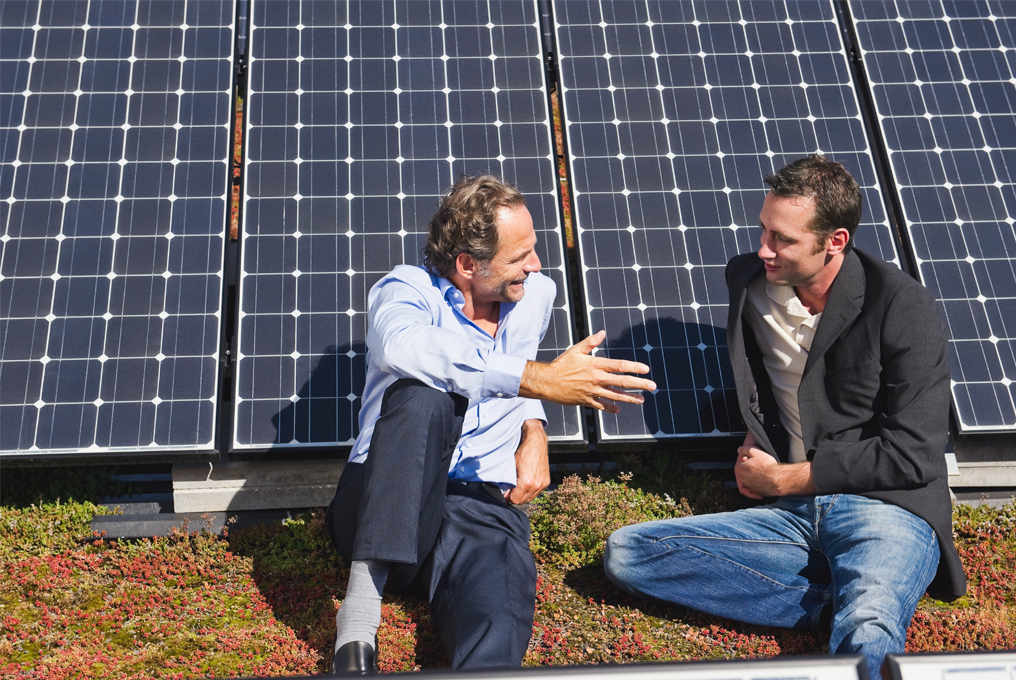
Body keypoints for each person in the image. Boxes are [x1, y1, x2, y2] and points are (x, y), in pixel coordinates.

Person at [604, 155, 965, 680]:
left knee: (868, 621)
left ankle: (863, 598)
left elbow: (913, 453)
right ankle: (835, 596)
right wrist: (758, 432)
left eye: (783, 239)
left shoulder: (903, 306)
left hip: (886, 508)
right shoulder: (748, 282)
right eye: (763, 229)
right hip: (791, 515)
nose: (763, 249)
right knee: (629, 552)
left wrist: (786, 476)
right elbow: (763, 375)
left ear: (835, 242)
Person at [325, 175, 656, 674]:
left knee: (497, 611)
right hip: (384, 498)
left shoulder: (534, 295)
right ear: (467, 266)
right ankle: (358, 624)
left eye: (534, 249)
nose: (536, 264)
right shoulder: (406, 290)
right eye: (520, 255)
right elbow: (404, 348)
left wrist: (534, 427)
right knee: (422, 398)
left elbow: (517, 380)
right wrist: (538, 381)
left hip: (479, 500)